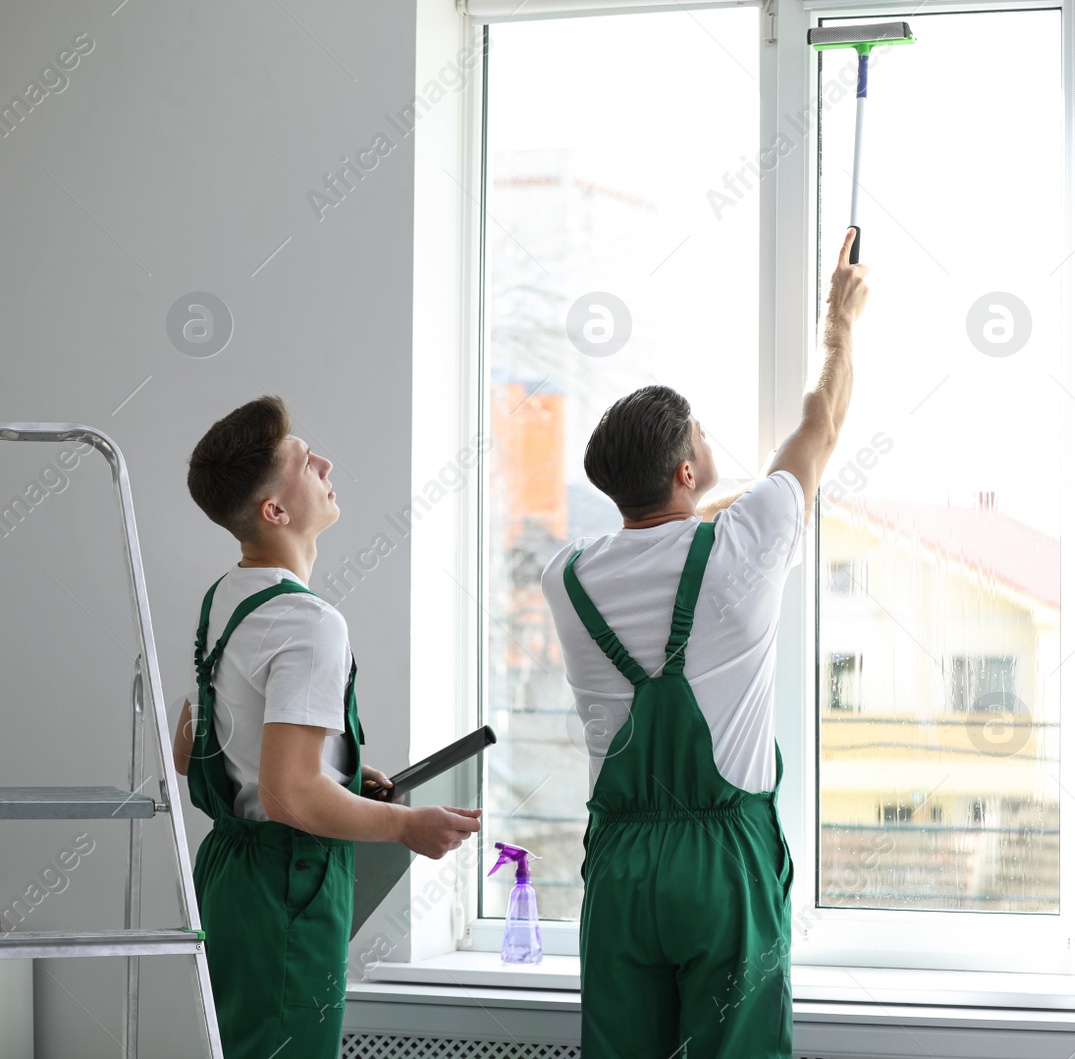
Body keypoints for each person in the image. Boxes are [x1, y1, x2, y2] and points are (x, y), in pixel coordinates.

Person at [539, 228, 869, 1058]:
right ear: (686, 471)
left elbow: (664, 542)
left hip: (619, 867)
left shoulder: (565, 575)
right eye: (699, 437)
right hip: (723, 862)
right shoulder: (744, 546)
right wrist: (841, 325)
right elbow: (820, 424)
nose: (708, 444)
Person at [172, 395, 482, 1059]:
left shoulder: (223, 598)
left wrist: (332, 764)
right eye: (302, 461)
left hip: (229, 874)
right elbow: (288, 797)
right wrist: (407, 825)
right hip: (289, 880)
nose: (325, 462)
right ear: (275, 511)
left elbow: (187, 748)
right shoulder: (308, 622)